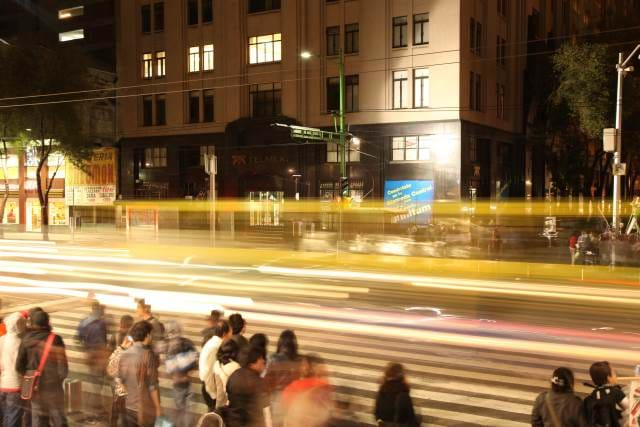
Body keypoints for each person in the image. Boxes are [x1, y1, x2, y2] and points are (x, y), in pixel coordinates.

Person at [16, 311, 69, 427]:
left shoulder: (25, 340)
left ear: (32, 323)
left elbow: (19, 366)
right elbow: (63, 368)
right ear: (47, 322)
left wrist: (30, 378)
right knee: (59, 420)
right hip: (53, 389)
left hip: (35, 389)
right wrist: (57, 381)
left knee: (39, 421)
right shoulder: (55, 339)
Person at [119, 321, 162, 427]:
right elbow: (153, 386)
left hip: (128, 406)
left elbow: (121, 380)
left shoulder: (124, 354)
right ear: (147, 335)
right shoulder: (148, 355)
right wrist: (158, 408)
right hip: (144, 408)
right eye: (151, 334)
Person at [77, 302, 109, 418]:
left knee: (96, 381)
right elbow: (104, 340)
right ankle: (95, 409)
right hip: (99, 355)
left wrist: (85, 350)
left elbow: (77, 338)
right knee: (98, 383)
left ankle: (96, 407)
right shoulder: (101, 323)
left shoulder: (84, 322)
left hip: (90, 354)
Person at [226, 346, 270, 427]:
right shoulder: (257, 382)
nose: (263, 361)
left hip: (233, 422)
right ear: (252, 362)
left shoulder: (234, 375)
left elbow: (229, 400)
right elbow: (266, 410)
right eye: (260, 358)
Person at [265, 330, 302, 427]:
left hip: (277, 398)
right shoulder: (299, 360)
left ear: (280, 343)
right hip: (294, 398)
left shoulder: (272, 359)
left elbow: (268, 380)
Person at [165, 321, 198, 427]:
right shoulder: (186, 344)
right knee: (184, 412)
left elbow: (170, 369)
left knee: (180, 412)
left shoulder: (171, 346)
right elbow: (194, 362)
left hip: (179, 384)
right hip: (185, 383)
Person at [0, 312, 27, 427]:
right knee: (13, 418)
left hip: (2, 384)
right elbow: (22, 367)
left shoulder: (1, 340)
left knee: (6, 416)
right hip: (16, 386)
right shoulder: (22, 342)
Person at [199, 319, 232, 411]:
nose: (231, 335)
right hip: (210, 389)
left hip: (210, 387)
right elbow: (209, 373)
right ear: (225, 333)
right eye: (230, 332)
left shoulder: (212, 343)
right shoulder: (215, 347)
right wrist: (214, 394)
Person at [374, 363, 420, 427]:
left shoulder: (382, 391)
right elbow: (410, 418)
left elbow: (377, 414)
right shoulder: (403, 395)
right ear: (402, 377)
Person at [584, 361, 628, 427]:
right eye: (614, 373)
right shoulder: (616, 392)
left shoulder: (591, 397)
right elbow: (630, 407)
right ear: (608, 378)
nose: (616, 375)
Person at [106, 332, 133, 427]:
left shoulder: (118, 352)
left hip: (120, 390)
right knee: (123, 414)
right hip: (123, 391)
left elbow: (110, 370)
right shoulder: (124, 354)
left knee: (117, 412)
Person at [213, 339, 241, 408]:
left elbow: (219, 390)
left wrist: (218, 406)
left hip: (222, 402)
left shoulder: (216, 364)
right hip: (233, 402)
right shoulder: (236, 366)